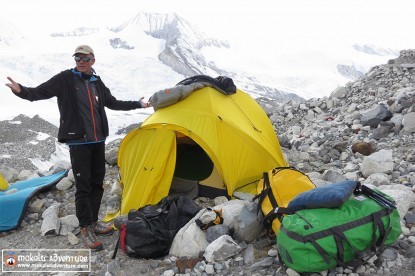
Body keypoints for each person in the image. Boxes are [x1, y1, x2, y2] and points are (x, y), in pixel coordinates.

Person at [5, 45, 151, 251]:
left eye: (85, 58)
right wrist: (22, 91)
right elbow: (40, 92)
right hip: (78, 142)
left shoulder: (96, 82)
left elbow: (112, 102)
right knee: (83, 186)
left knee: (97, 183)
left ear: (93, 60)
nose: (80, 62)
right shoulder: (65, 79)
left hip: (98, 141)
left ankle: (93, 221)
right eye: (77, 58)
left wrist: (138, 104)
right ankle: (85, 228)